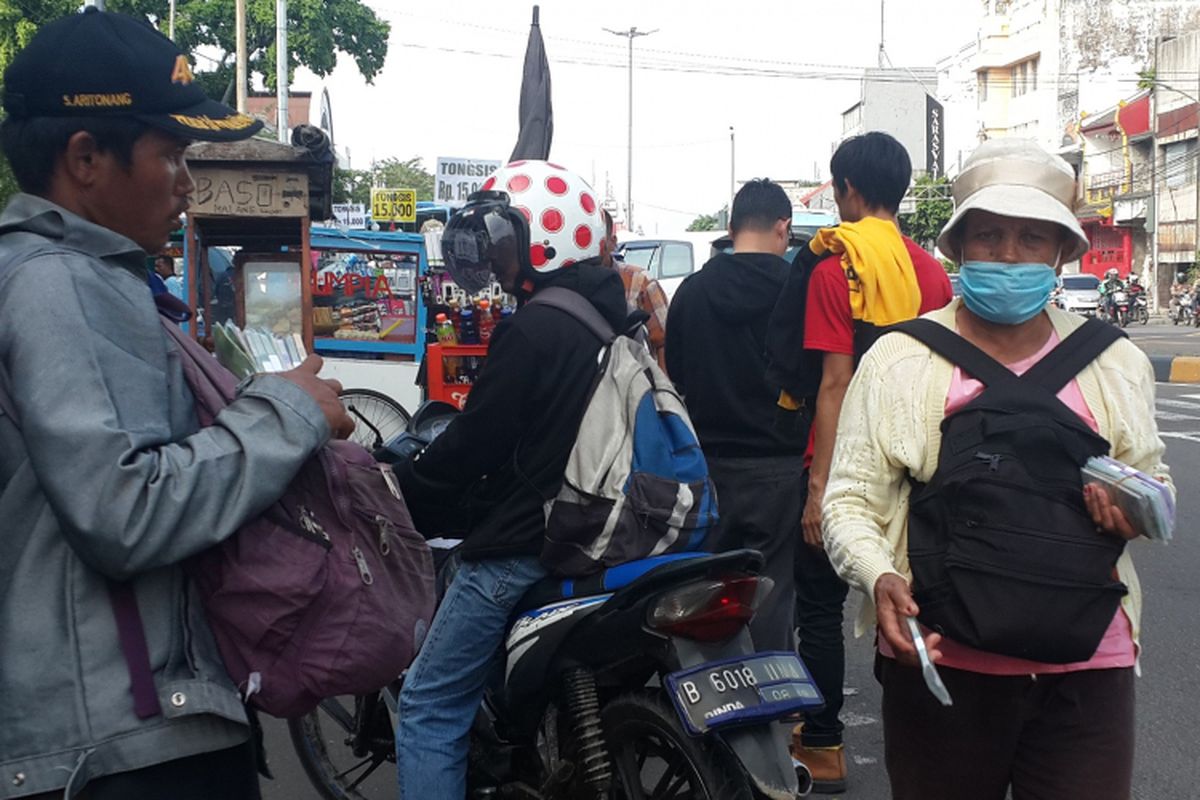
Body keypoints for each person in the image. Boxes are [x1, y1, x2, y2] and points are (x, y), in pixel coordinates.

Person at [0, 9, 354, 800]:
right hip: (124, 744)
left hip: (130, 730)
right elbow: (122, 508)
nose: (189, 183)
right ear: (86, 157)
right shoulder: (56, 285)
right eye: (171, 154)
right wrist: (287, 413)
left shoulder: (81, 278)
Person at [822, 138, 1172, 800]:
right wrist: (880, 574)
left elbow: (1155, 487)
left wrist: (1138, 508)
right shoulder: (901, 359)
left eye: (1032, 239)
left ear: (1063, 253)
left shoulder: (1114, 360)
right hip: (941, 661)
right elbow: (849, 504)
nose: (1009, 255)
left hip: (1088, 669)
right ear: (959, 248)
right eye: (989, 236)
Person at [392, 160, 627, 799]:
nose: (494, 257)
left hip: (523, 545)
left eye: (504, 240)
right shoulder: (610, 320)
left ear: (545, 241)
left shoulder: (534, 328)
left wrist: (410, 478)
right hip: (602, 537)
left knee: (429, 704)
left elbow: (476, 443)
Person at [791, 131, 953, 792]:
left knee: (821, 608)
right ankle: (926, 732)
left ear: (850, 192)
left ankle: (824, 747)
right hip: (924, 462)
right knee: (915, 600)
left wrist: (819, 492)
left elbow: (835, 384)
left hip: (851, 467)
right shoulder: (935, 272)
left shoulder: (838, 269)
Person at [665, 179, 805, 652]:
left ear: (730, 228)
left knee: (709, 589)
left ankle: (710, 693)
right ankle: (770, 702)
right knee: (774, 591)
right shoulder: (797, 292)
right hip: (780, 468)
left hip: (709, 466)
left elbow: (675, 376)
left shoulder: (692, 291)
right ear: (783, 228)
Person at [600, 207, 670, 370]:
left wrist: (662, 390)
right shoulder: (572, 284)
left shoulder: (640, 282)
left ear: (613, 242)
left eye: (601, 242)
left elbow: (663, 342)